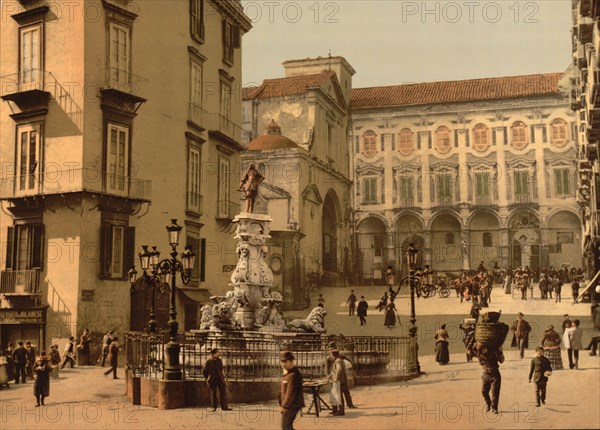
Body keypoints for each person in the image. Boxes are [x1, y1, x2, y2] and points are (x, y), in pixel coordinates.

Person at [472, 342, 505, 414]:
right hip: (485, 375)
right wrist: (473, 345)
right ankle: (488, 403)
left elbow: (502, 360)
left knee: (495, 393)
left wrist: (500, 351)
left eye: (486, 348)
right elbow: (469, 352)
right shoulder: (480, 354)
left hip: (495, 374)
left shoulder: (494, 352)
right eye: (483, 349)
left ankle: (494, 408)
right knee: (484, 392)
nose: (484, 350)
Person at [279, 351, 304, 430]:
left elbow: (290, 392)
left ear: (291, 361)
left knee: (286, 426)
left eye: (286, 361)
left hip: (292, 404)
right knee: (286, 426)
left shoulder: (293, 375)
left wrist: (284, 406)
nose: (283, 364)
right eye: (282, 362)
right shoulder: (289, 373)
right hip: (291, 404)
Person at [325, 343, 356, 409]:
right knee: (337, 393)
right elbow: (326, 369)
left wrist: (349, 365)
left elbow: (348, 361)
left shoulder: (340, 356)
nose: (332, 351)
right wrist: (329, 377)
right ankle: (338, 408)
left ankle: (349, 405)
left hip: (341, 377)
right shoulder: (329, 358)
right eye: (331, 349)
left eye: (333, 349)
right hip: (334, 376)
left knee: (346, 392)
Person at [328, 349, 346, 416]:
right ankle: (335, 410)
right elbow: (334, 371)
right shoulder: (338, 360)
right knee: (335, 395)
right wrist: (329, 377)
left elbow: (339, 370)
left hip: (338, 381)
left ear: (333, 355)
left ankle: (341, 411)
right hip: (338, 381)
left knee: (338, 396)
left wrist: (336, 378)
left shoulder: (338, 361)